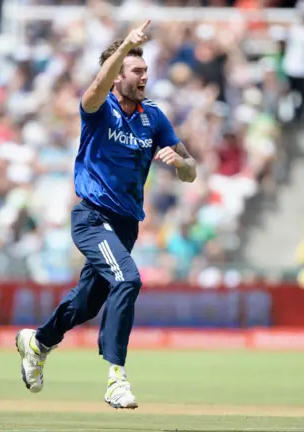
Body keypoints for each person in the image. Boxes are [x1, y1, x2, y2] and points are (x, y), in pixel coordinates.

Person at [15, 21, 197, 410]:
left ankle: (38, 342)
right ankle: (116, 377)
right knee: (128, 278)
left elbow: (192, 167)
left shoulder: (154, 118)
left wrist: (180, 164)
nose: (144, 76)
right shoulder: (100, 108)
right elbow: (96, 88)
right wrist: (122, 48)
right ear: (118, 76)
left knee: (86, 304)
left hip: (127, 225)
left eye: (145, 70)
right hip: (92, 217)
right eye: (136, 70)